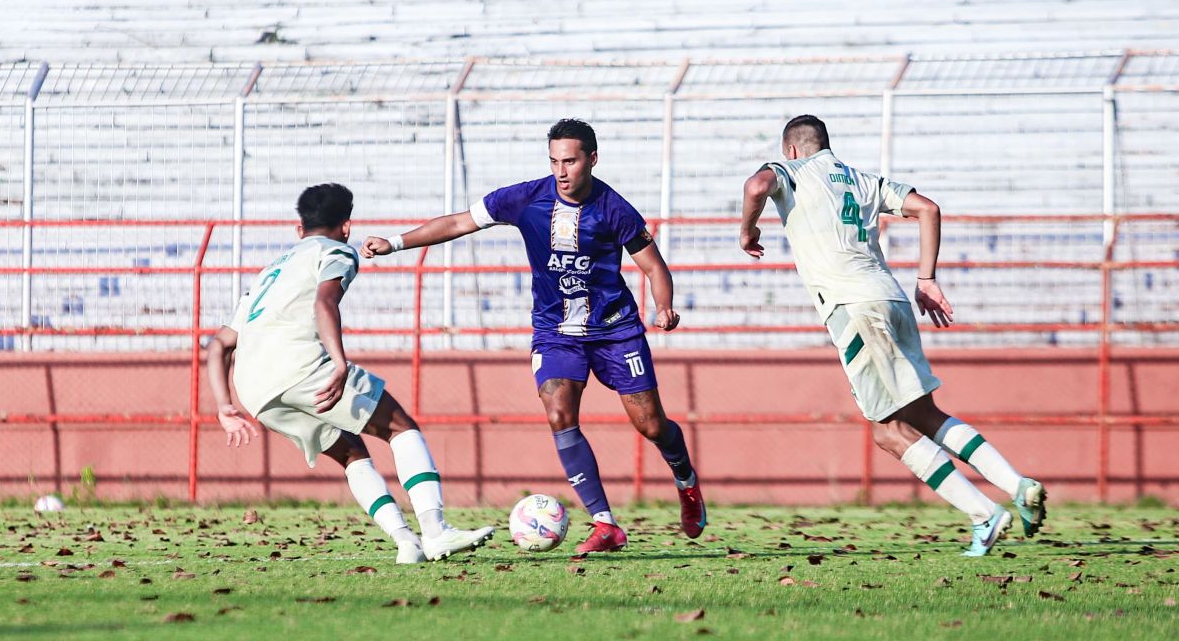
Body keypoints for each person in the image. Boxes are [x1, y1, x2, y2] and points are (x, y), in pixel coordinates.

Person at [362, 118, 705, 553]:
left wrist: (664, 306)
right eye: (554, 160)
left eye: (571, 161)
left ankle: (685, 480)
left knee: (652, 425)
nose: (561, 170)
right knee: (559, 413)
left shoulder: (615, 209)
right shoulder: (525, 198)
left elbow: (654, 266)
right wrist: (394, 243)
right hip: (555, 331)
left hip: (615, 330)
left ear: (592, 160)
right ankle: (604, 523)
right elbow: (458, 223)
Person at [738, 115, 1046, 557]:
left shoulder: (791, 171)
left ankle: (983, 514)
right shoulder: (863, 180)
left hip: (854, 307)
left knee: (887, 431)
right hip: (895, 299)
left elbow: (755, 187)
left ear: (790, 150)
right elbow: (928, 208)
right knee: (924, 414)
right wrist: (927, 278)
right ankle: (1018, 486)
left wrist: (748, 229)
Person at [206, 183, 494, 564]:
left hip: (254, 390)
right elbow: (326, 302)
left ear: (299, 229)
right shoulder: (337, 251)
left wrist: (225, 407)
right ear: (346, 227)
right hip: (300, 366)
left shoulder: (268, 272)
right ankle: (436, 531)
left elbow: (218, 344)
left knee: (351, 453)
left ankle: (407, 543)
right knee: (399, 428)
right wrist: (339, 362)